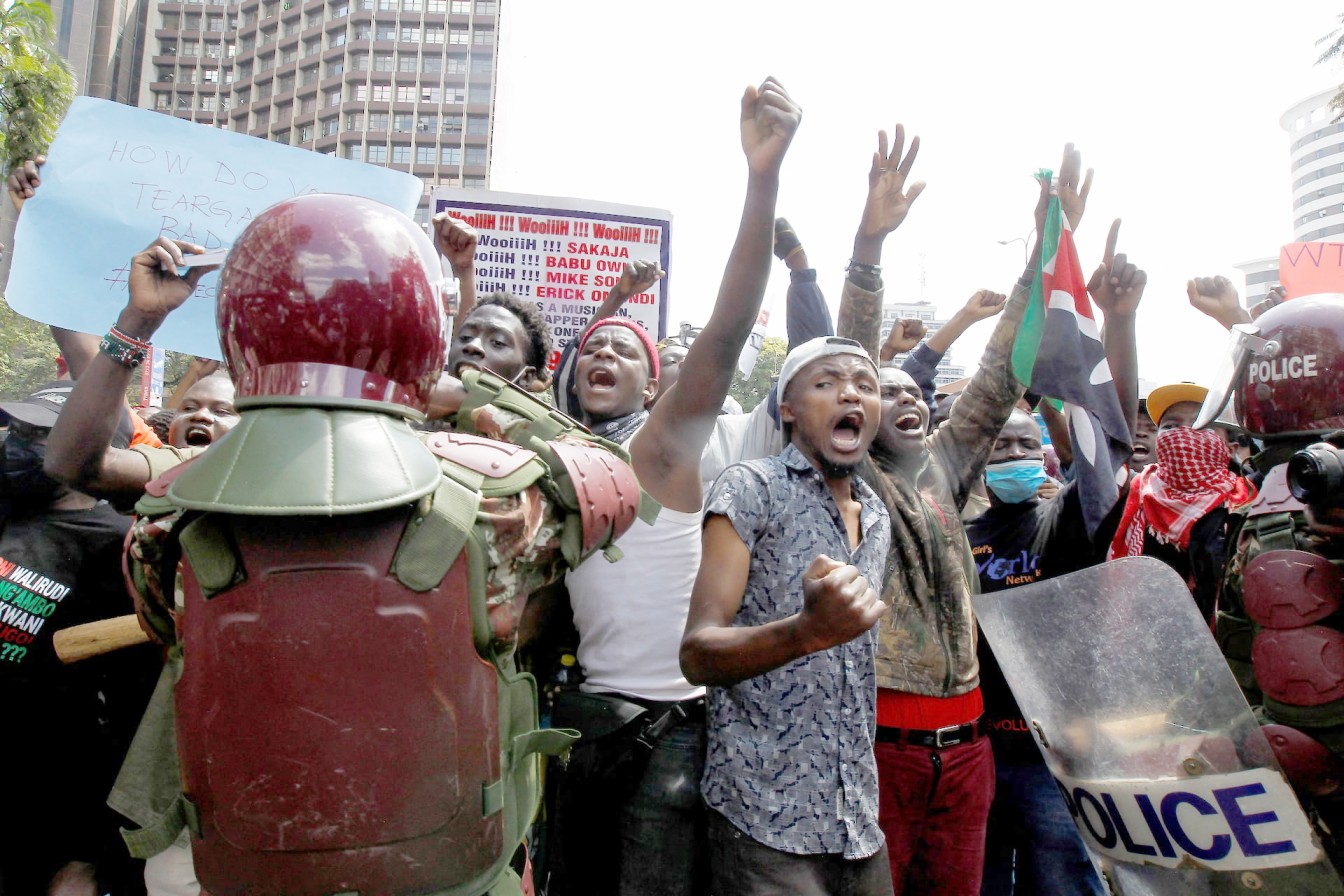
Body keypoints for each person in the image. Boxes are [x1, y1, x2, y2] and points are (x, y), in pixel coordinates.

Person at [102, 195, 644, 896]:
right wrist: (466, 390)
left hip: (237, 871)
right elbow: (613, 480)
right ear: (420, 330)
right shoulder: (500, 507)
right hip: (453, 875)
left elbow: (165, 635)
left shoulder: (162, 523)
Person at [545, 77, 801, 896]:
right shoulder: (549, 473)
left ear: (661, 391)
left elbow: (726, 334)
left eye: (627, 351)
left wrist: (761, 179)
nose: (602, 358)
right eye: (592, 349)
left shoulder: (657, 457)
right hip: (584, 732)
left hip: (672, 744)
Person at [838, 136, 1093, 894]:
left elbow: (1000, 369)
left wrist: (1045, 251)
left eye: (919, 393)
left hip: (971, 752)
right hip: (883, 751)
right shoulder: (848, 482)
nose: (909, 399)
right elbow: (846, 360)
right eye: (889, 393)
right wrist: (869, 244)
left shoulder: (945, 477)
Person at [680, 336, 893, 895]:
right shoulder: (751, 488)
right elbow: (698, 653)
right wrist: (806, 633)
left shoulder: (876, 515)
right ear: (788, 409)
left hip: (858, 820)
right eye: (826, 383)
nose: (850, 393)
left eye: (865, 386)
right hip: (763, 819)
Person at [0, 383, 159, 896]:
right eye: (16, 430)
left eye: (38, 435)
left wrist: (90, 854)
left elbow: (133, 718)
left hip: (48, 804)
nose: (16, 444)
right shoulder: (9, 511)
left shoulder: (121, 549)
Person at [1101, 379, 1256, 622]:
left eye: (1201, 425)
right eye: (1171, 426)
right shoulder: (1130, 493)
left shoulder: (1247, 504)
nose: (1184, 434)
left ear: (1230, 447)